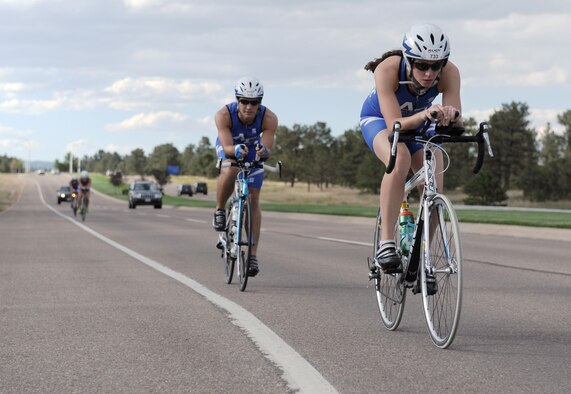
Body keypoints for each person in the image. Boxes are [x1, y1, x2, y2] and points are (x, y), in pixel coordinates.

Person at [359, 23, 463, 273]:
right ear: (408, 59)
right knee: (400, 159)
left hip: (422, 121)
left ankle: (421, 251)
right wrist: (427, 114)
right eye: (421, 65)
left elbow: (457, 121)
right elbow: (395, 122)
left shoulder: (450, 73)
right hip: (381, 121)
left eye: (435, 66)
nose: (429, 73)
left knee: (435, 182)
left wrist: (452, 115)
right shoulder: (388, 69)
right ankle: (386, 242)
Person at [212, 76, 278, 277]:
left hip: (251, 149)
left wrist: (262, 152)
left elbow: (267, 148)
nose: (249, 107)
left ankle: (252, 256)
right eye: (244, 101)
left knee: (253, 199)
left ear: (260, 102)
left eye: (254, 102)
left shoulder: (269, 118)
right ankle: (220, 209)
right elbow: (226, 146)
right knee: (230, 168)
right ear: (237, 100)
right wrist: (234, 150)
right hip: (230, 146)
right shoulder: (224, 115)